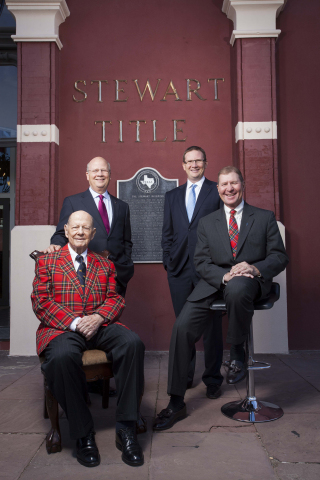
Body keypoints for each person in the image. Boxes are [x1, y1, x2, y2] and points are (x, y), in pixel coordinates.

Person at [154, 166, 289, 431]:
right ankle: (176, 400)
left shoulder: (263, 217)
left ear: (242, 185)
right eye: (224, 184)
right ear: (218, 189)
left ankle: (237, 351)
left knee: (238, 287)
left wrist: (253, 268)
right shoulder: (208, 222)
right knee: (181, 328)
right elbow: (201, 261)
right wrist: (224, 276)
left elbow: (279, 256)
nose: (229, 189)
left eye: (234, 184)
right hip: (214, 284)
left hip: (250, 282)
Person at [32, 211, 145, 467]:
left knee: (133, 344)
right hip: (62, 327)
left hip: (99, 324)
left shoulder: (104, 263)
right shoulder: (47, 262)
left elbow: (115, 299)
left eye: (86, 227)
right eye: (76, 227)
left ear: (93, 234)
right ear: (67, 231)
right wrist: (74, 322)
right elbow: (41, 301)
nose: (81, 231)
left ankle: (126, 428)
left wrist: (97, 318)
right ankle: (84, 434)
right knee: (61, 356)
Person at [161, 146, 223, 398]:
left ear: (205, 164)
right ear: (183, 165)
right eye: (190, 161)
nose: (194, 165)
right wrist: (168, 260)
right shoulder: (172, 195)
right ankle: (185, 376)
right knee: (182, 327)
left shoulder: (216, 190)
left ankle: (213, 379)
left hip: (208, 269)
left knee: (212, 327)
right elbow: (167, 232)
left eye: (198, 161)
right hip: (178, 269)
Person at [44, 156, 133, 298]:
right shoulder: (73, 202)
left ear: (109, 174)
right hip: (86, 273)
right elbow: (62, 233)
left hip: (117, 276)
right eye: (95, 170)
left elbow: (126, 241)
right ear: (87, 175)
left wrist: (126, 267)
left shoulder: (122, 206)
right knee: (89, 319)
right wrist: (55, 244)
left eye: (104, 170)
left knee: (111, 315)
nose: (100, 174)